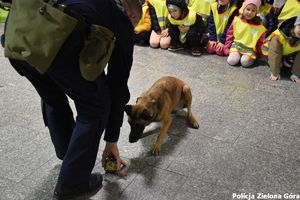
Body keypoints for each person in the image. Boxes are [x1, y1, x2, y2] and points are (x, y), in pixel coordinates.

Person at [3, 0, 142, 199]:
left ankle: (68, 154)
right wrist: (112, 139)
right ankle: (73, 185)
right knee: (95, 108)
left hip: (18, 34)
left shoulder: (101, 6)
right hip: (58, 35)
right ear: (132, 16)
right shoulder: (121, 19)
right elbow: (117, 83)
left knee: (52, 97)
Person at [224, 0, 267, 67]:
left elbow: (260, 41)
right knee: (232, 61)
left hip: (249, 50)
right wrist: (227, 47)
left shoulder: (259, 26)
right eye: (248, 9)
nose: (250, 12)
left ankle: (248, 58)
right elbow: (230, 34)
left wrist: (259, 54)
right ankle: (237, 55)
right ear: (243, 8)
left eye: (253, 11)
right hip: (236, 46)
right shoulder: (237, 20)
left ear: (256, 12)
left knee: (245, 62)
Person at [265, 15, 300, 83]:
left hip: (286, 53)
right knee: (279, 65)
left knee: (288, 64)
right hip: (270, 51)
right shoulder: (278, 35)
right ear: (295, 24)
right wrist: (275, 73)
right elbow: (274, 53)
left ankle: (284, 62)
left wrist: (296, 74)